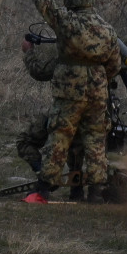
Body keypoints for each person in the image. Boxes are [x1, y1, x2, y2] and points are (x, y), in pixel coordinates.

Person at [28, 0, 121, 204]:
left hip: (69, 90)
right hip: (98, 92)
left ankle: (45, 187)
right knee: (95, 139)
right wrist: (100, 79)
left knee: (60, 134)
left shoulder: (66, 22)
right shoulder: (108, 30)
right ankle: (96, 192)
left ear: (71, 5)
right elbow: (114, 65)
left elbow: (42, 1)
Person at [16, 37, 86, 202]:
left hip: (63, 114)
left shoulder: (64, 60)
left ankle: (45, 180)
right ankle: (78, 192)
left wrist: (28, 52)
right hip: (91, 115)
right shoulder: (99, 62)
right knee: (77, 149)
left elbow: (38, 71)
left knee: (26, 141)